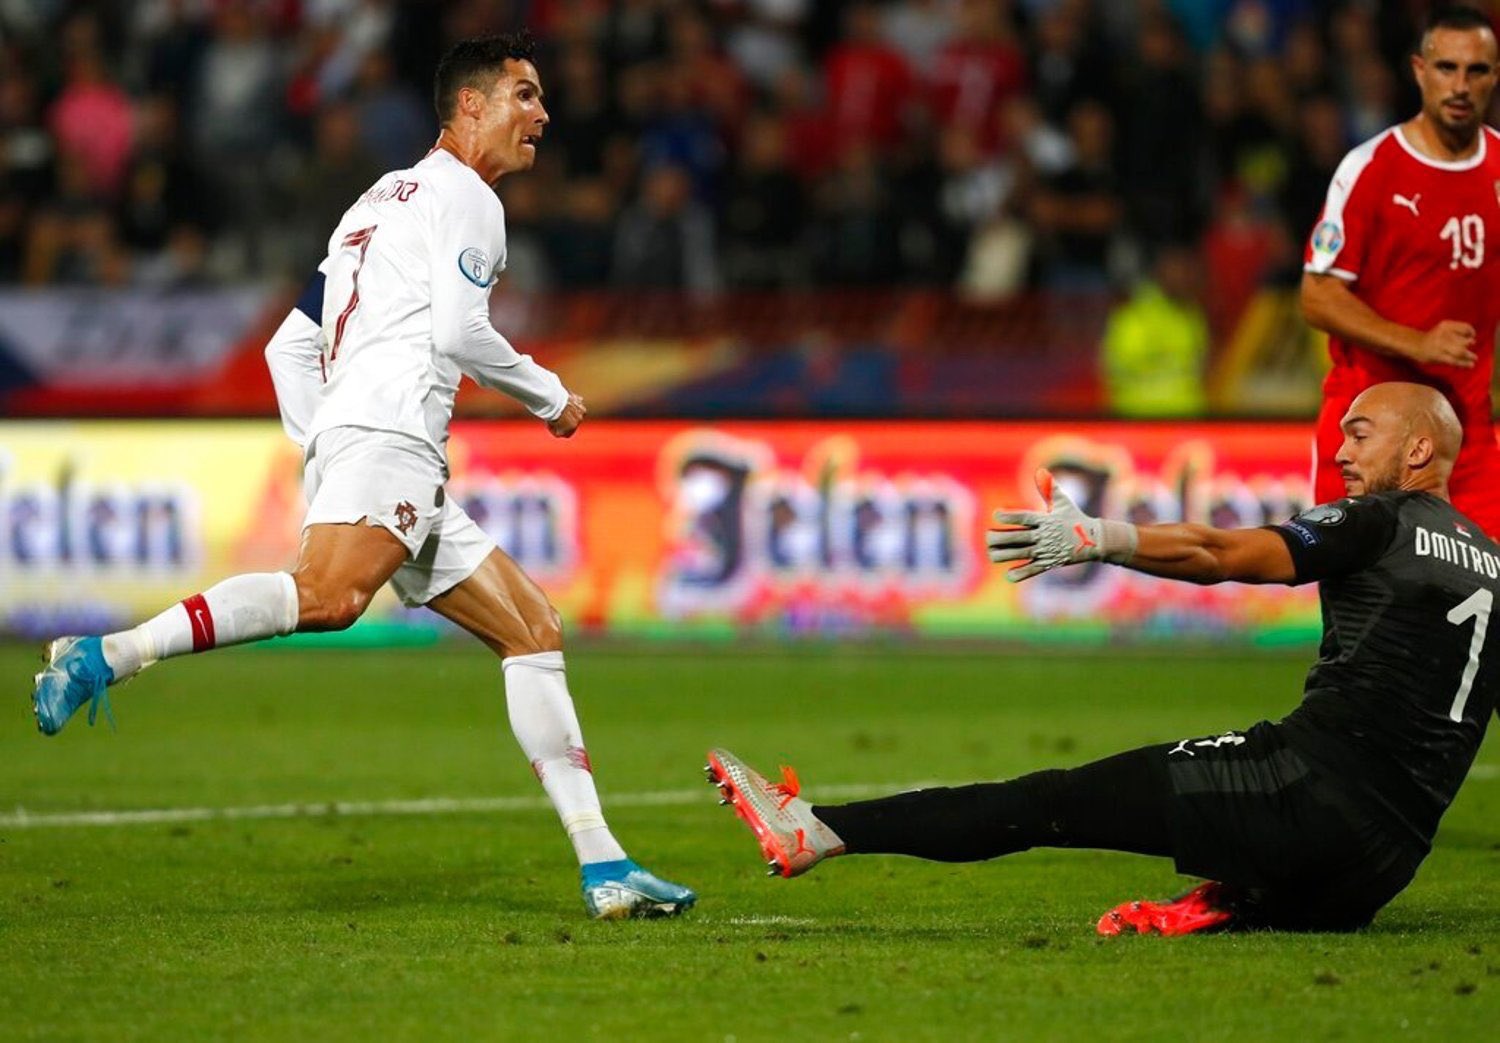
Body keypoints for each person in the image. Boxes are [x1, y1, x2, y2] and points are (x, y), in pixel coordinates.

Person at [31, 32, 695, 922]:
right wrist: (547, 395)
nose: (543, 114)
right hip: (392, 437)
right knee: (329, 597)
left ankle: (604, 866)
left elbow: (289, 344)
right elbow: (460, 335)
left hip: (379, 444)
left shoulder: (377, 201)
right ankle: (109, 653)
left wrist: (327, 440)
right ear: (471, 106)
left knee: (532, 628)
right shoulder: (469, 199)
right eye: (526, 95)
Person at [708, 382, 1499, 934]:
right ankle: (1235, 902)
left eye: (1362, 431)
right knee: (1259, 837)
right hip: (1378, 872)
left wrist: (1103, 539)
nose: (1343, 445)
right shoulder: (1491, 563)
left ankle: (814, 828)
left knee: (1053, 799)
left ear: (1420, 446)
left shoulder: (1380, 518)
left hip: (1301, 796)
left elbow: (1223, 550)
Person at [1301, 5, 1500, 536]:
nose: (1460, 85)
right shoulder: (1371, 169)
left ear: (1494, 76)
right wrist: (1417, 343)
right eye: (1446, 68)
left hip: (1466, 436)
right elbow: (1317, 296)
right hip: (1369, 431)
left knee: (1488, 604)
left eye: (1475, 70)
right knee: (1360, 605)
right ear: (1419, 71)